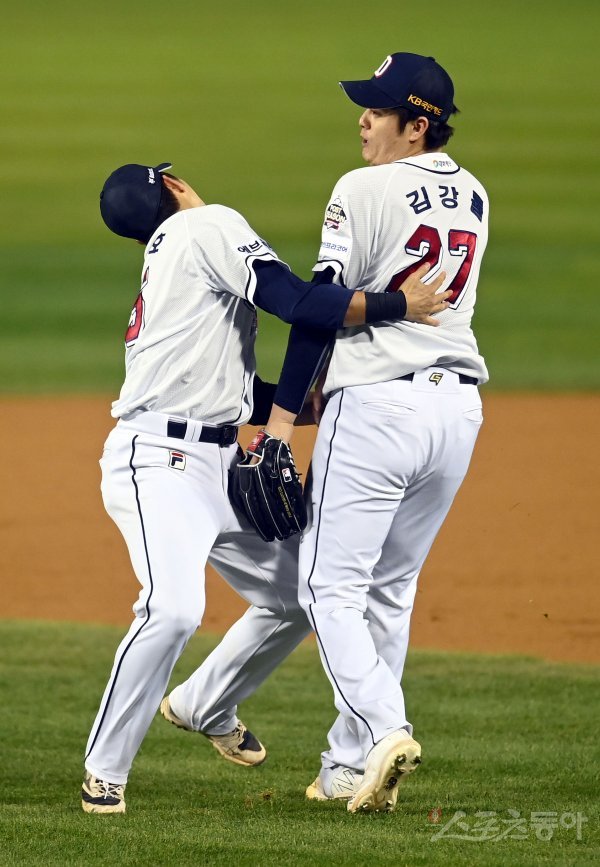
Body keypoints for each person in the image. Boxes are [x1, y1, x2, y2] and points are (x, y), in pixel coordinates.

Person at [81, 161, 448, 813]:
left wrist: (306, 404)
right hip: (159, 464)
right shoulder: (206, 225)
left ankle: (204, 704)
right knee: (172, 609)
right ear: (174, 187)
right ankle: (104, 769)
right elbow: (298, 302)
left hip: (215, 457)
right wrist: (401, 304)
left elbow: (226, 390)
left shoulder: (169, 263)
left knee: (304, 593)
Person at [254, 51, 489, 812]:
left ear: (416, 126)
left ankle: (387, 727)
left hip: (380, 409)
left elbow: (320, 311)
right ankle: (348, 767)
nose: (362, 118)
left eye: (379, 109)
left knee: (327, 588)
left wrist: (282, 422)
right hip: (456, 413)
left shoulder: (362, 188)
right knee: (389, 590)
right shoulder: (475, 194)